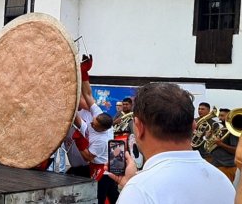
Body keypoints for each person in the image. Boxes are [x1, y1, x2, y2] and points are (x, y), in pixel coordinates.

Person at [108, 83, 235, 203]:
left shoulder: (139, 189)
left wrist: (132, 189)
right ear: (194, 126)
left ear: (139, 127)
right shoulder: (223, 181)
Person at [73, 55, 118, 204]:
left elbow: (88, 157)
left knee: (98, 198)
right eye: (93, 122)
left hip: (101, 169)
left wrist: (79, 141)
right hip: (107, 163)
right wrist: (84, 73)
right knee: (113, 195)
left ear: (102, 129)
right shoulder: (98, 115)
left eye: (94, 125)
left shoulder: (101, 140)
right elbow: (88, 94)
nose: (91, 124)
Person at [209, 108, 238, 182]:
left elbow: (236, 151)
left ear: (229, 117)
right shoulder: (223, 129)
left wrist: (221, 144)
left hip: (227, 166)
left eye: (222, 116)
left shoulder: (233, 131)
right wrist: (209, 136)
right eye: (219, 116)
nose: (219, 118)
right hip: (217, 164)